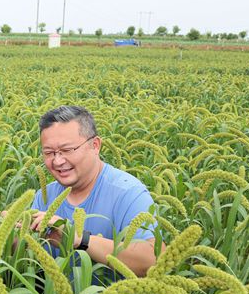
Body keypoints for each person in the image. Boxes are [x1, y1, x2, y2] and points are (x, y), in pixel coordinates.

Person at [30, 105, 159, 277]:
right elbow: (27, 258)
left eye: (67, 150)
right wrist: (13, 236)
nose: (58, 161)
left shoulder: (128, 193)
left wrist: (77, 238)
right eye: (49, 153)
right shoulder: (44, 196)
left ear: (95, 145)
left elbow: (152, 261)